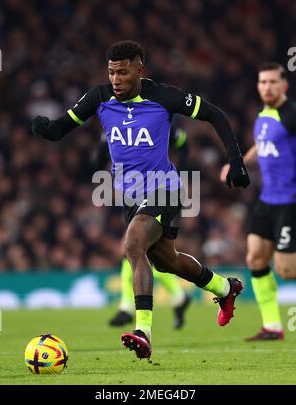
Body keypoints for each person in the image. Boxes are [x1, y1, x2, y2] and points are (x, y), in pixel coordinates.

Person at [32, 40, 250, 359]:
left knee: (133, 243)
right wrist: (43, 128)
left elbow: (215, 115)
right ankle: (225, 288)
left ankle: (142, 331)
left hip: (166, 187)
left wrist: (236, 160)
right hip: (131, 195)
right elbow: (59, 130)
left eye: (122, 72)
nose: (116, 79)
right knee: (166, 260)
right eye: (111, 73)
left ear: (139, 69)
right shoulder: (99, 97)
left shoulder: (163, 96)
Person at [220, 62, 296, 341]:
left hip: (290, 202)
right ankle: (273, 326)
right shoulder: (264, 114)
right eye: (263, 82)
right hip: (267, 201)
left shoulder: (290, 115)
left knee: (287, 271)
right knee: (255, 257)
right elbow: (261, 145)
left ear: (284, 85)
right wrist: (238, 163)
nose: (267, 87)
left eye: (273, 82)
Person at [108, 126, 191, 330]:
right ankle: (179, 298)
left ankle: (128, 308)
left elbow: (183, 145)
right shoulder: (118, 129)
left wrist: (178, 169)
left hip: (163, 193)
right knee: (145, 254)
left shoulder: (159, 126)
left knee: (140, 252)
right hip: (134, 195)